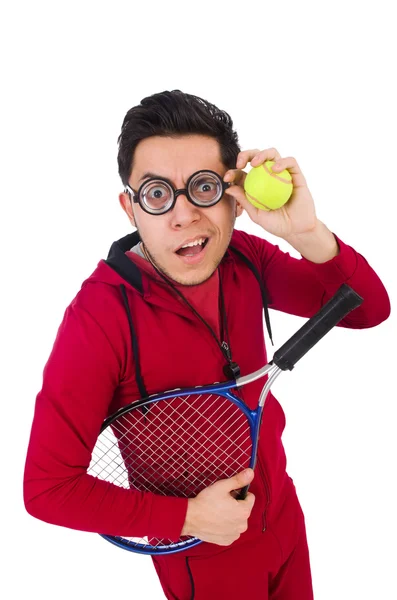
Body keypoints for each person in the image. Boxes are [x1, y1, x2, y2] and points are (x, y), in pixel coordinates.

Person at [23, 90, 390, 600]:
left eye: (203, 188)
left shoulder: (243, 255)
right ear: (130, 208)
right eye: (156, 194)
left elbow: (369, 309)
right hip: (203, 556)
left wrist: (305, 230)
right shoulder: (98, 319)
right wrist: (188, 516)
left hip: (282, 520)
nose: (182, 216)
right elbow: (47, 489)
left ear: (233, 196)